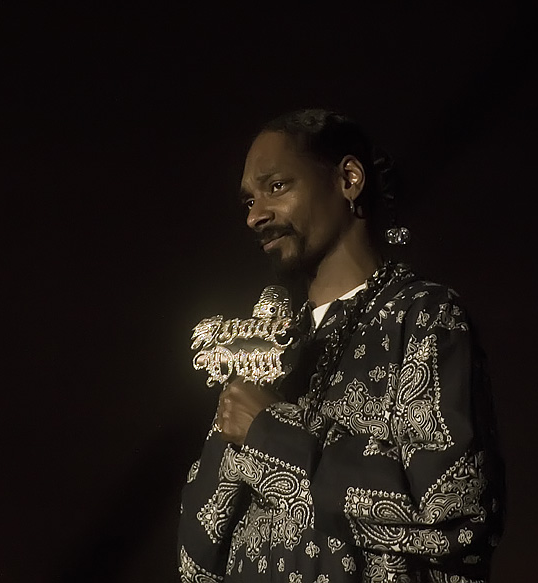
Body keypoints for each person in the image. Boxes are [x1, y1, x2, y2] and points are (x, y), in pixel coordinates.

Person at [178, 109, 504, 583]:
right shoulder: (270, 348)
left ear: (349, 179)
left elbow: (454, 511)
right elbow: (198, 554)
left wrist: (270, 434)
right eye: (248, 200)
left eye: (276, 187)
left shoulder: (422, 317)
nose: (254, 216)